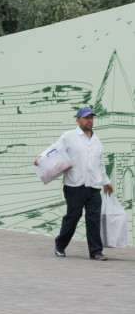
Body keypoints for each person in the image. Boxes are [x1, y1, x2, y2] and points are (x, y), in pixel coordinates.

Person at [42, 105, 113, 261]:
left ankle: (96, 252)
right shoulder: (69, 136)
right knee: (73, 217)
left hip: (94, 186)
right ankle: (60, 245)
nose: (89, 120)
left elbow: (100, 163)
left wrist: (106, 182)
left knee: (93, 220)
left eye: (91, 118)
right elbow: (54, 150)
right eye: (86, 117)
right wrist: (41, 160)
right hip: (74, 186)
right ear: (78, 119)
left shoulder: (96, 140)